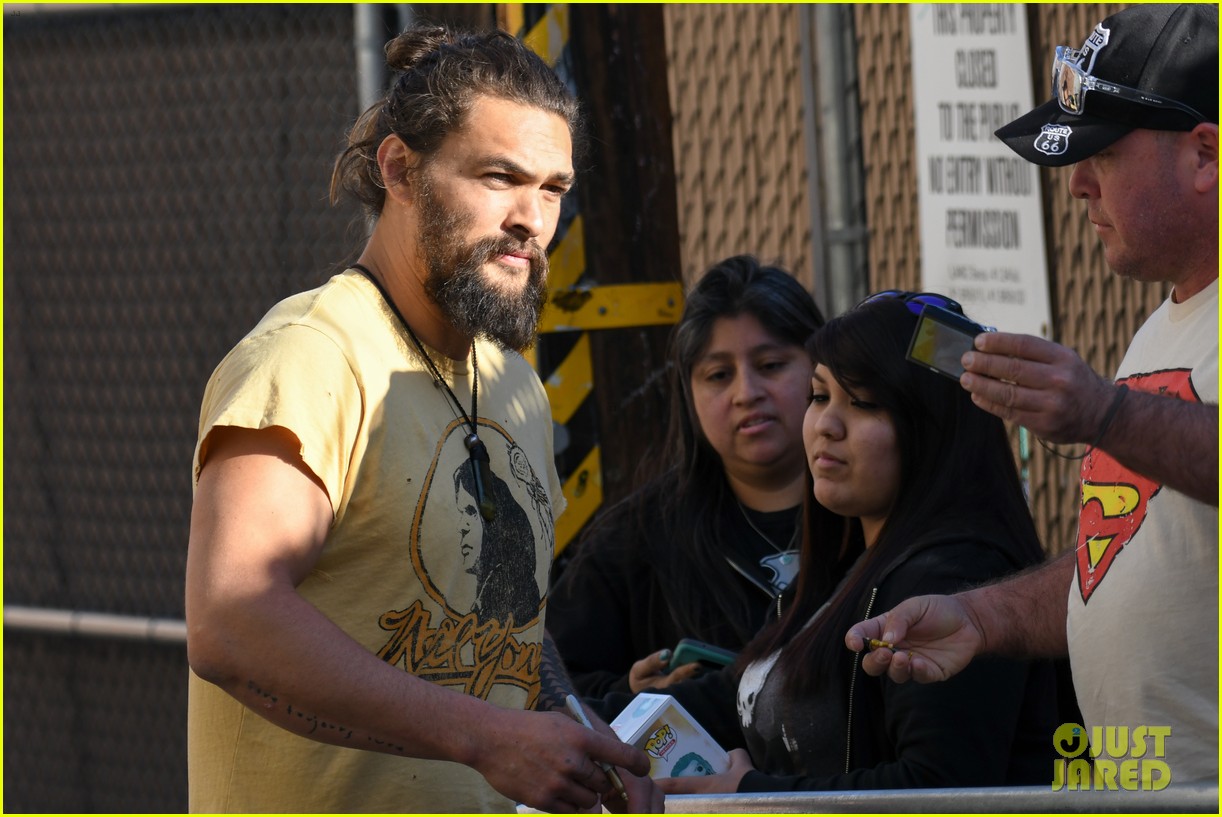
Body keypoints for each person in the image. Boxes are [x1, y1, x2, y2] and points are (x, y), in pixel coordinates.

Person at [185, 25, 660, 813]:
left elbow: (498, 630)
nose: (531, 219)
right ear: (401, 169)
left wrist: (584, 734)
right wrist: (482, 735)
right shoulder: (309, 357)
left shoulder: (514, 385)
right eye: (499, 177)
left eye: (552, 188)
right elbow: (231, 619)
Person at [848, 3, 1218, 785]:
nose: (1078, 184)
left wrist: (1101, 412)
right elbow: (1125, 559)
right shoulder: (1166, 324)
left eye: (1104, 154)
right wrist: (980, 618)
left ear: (1205, 154)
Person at [642, 295, 1057, 793]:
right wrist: (556, 715)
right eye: (820, 396)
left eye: (863, 403)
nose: (826, 426)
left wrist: (749, 796)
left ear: (932, 428)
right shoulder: (848, 570)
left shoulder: (951, 578)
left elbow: (941, 790)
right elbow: (725, 700)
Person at [548, 256, 834, 698]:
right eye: (719, 375)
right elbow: (550, 685)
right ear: (689, 392)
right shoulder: (634, 541)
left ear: (819, 370)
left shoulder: (876, 513)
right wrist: (628, 692)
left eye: (772, 365)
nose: (747, 393)